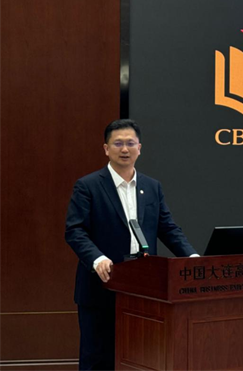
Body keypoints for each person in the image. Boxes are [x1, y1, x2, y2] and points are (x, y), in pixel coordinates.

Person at [65, 119, 198, 371]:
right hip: (102, 285)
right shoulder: (88, 186)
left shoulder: (152, 186)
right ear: (106, 149)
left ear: (139, 148)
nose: (124, 149)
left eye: (130, 143)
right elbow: (75, 231)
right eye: (118, 144)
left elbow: (168, 228)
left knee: (140, 356)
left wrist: (192, 258)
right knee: (98, 358)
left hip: (143, 289)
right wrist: (97, 259)